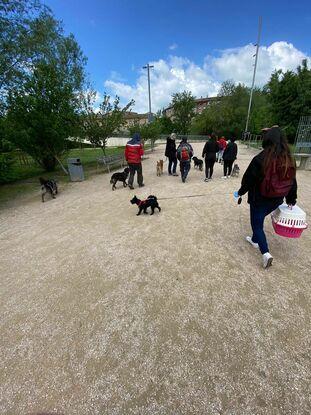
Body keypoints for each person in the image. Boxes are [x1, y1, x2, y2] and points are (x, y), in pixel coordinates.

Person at [237, 126, 297, 268]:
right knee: (260, 218)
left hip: (260, 198)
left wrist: (241, 192)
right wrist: (291, 199)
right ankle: (254, 240)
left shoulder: (261, 158)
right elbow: (292, 181)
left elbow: (248, 179)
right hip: (277, 199)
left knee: (257, 225)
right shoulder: (288, 159)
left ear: (268, 139)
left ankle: (265, 253)